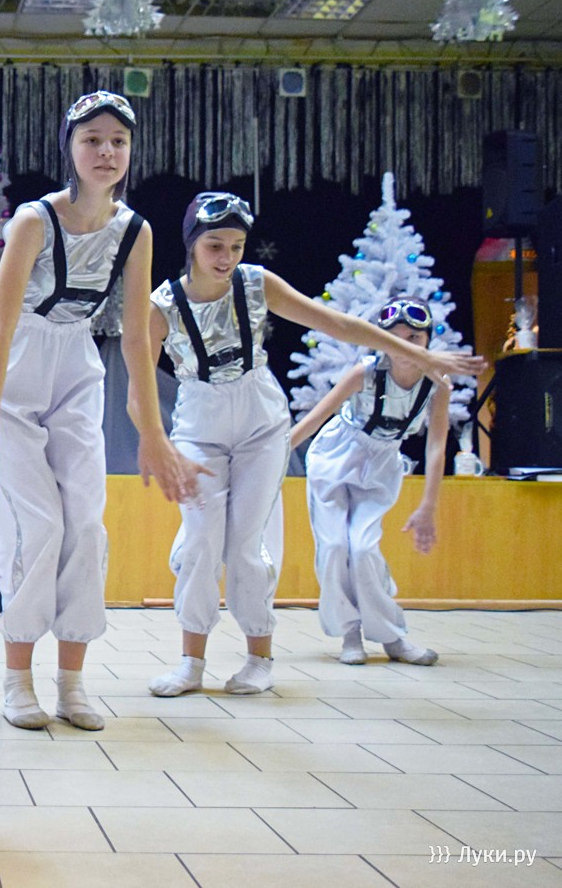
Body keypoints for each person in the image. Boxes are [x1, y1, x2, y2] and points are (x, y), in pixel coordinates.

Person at [145, 193, 483, 697]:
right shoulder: (164, 305)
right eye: (215, 245)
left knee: (246, 547)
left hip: (260, 421)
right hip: (198, 422)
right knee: (199, 542)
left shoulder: (256, 284)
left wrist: (421, 355)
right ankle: (191, 662)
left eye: (236, 246)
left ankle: (258, 658)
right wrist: (154, 440)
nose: (226, 257)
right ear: (191, 244)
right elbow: (138, 380)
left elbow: (337, 323)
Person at [0, 91, 202, 731]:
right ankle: (17, 677)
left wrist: (153, 434)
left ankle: (72, 682)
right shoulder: (33, 221)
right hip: (17, 370)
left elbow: (137, 339)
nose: (106, 152)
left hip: (78, 367)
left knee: (85, 524)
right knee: (37, 527)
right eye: (92, 140)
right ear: (70, 148)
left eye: (118, 141)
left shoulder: (135, 231)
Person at [290, 295, 448, 666]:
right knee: (333, 546)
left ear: (428, 340)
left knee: (362, 548)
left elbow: (436, 447)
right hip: (337, 455)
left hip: (381, 463)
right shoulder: (365, 372)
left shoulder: (437, 385)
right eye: (394, 338)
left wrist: (428, 506)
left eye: (414, 338)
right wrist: (272, 453)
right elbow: (315, 418)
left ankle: (391, 636)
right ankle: (349, 633)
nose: (404, 347)